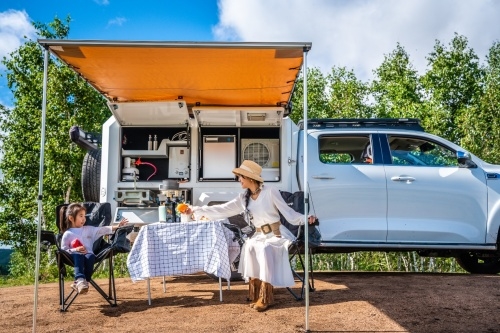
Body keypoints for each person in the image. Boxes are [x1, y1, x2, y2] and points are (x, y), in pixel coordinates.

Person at [184, 160, 316, 312]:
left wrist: (306, 217)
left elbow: (289, 213)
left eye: (241, 176)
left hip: (277, 234)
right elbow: (222, 209)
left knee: (265, 248)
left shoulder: (271, 191)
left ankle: (266, 297)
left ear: (250, 178)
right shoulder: (243, 198)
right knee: (250, 246)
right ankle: (255, 294)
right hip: (259, 234)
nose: (239, 179)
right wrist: (194, 210)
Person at [60, 203, 128, 294]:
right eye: (81, 216)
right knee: (78, 255)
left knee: (91, 256)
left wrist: (117, 226)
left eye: (84, 216)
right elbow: (63, 250)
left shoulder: (89, 229)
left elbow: (102, 230)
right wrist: (75, 250)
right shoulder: (68, 234)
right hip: (73, 257)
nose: (84, 219)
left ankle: (85, 283)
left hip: (88, 254)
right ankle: (79, 280)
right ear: (71, 218)